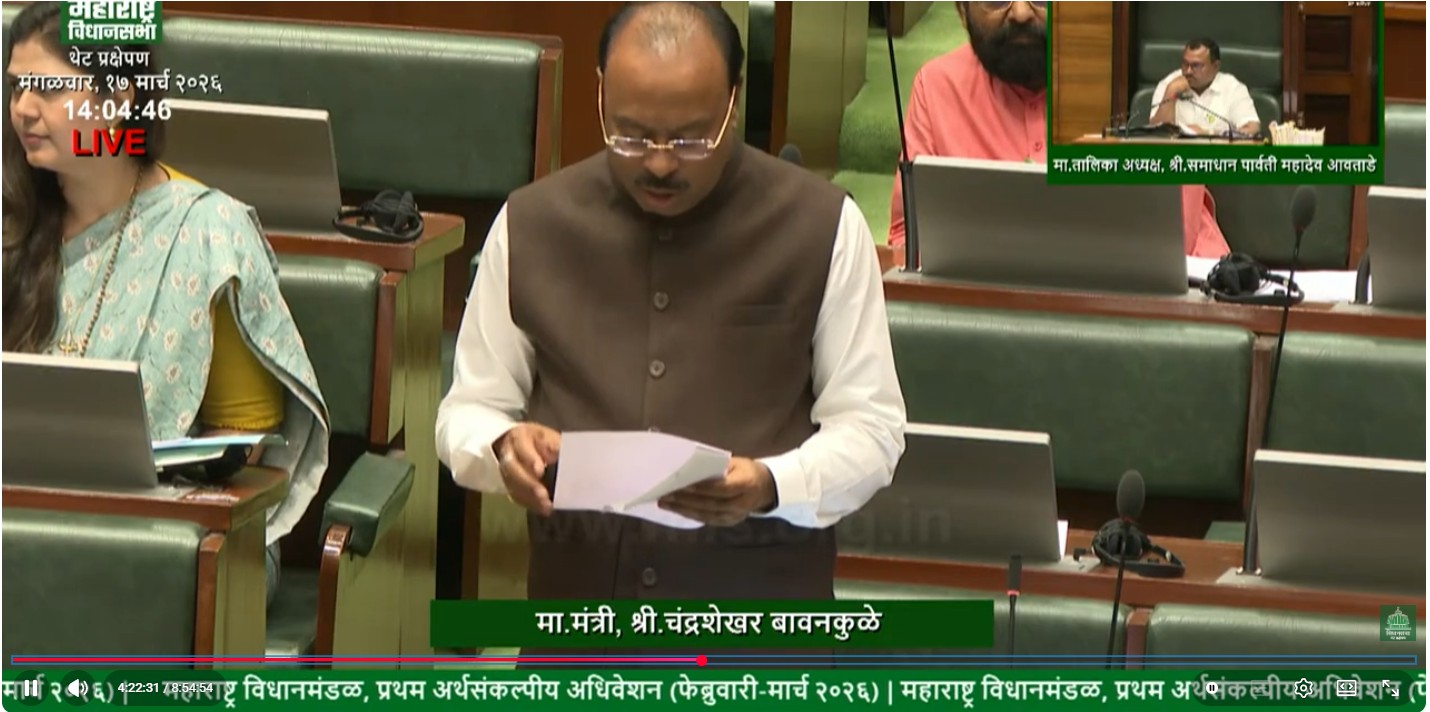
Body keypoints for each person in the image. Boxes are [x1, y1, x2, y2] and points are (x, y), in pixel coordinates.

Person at [436, 0, 905, 638]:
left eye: (690, 138)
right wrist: (500, 448)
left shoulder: (823, 227)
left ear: (733, 103)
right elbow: (467, 410)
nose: (658, 162)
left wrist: (772, 484)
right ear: (600, 97)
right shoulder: (530, 225)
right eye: (630, 135)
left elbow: (874, 431)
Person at [3, 1, 330, 608]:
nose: (22, 109)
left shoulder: (207, 232)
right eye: (16, 87)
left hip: (179, 537)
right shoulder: (12, 223)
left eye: (46, 88)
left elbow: (246, 440)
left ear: (120, 98)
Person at [886, 1, 1231, 261]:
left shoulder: (1145, 87)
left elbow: (1176, 248)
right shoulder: (936, 88)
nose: (1020, 12)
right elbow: (907, 240)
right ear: (961, 11)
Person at [1150, 38, 1262, 138]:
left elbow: (1251, 129)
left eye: (1196, 66)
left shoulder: (1232, 88)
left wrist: (1209, 134)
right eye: (1185, 64)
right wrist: (1171, 91)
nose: (1188, 71)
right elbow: (1156, 135)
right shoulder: (1169, 84)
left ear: (1216, 66)